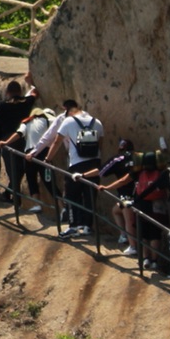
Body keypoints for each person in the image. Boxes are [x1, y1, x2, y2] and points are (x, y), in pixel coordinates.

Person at [38, 99, 103, 237]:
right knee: (90, 196)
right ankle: (87, 226)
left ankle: (73, 226)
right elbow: (100, 145)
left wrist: (48, 159)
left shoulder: (68, 121)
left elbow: (57, 141)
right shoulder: (97, 123)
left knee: (71, 196)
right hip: (94, 164)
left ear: (68, 112)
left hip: (76, 164)